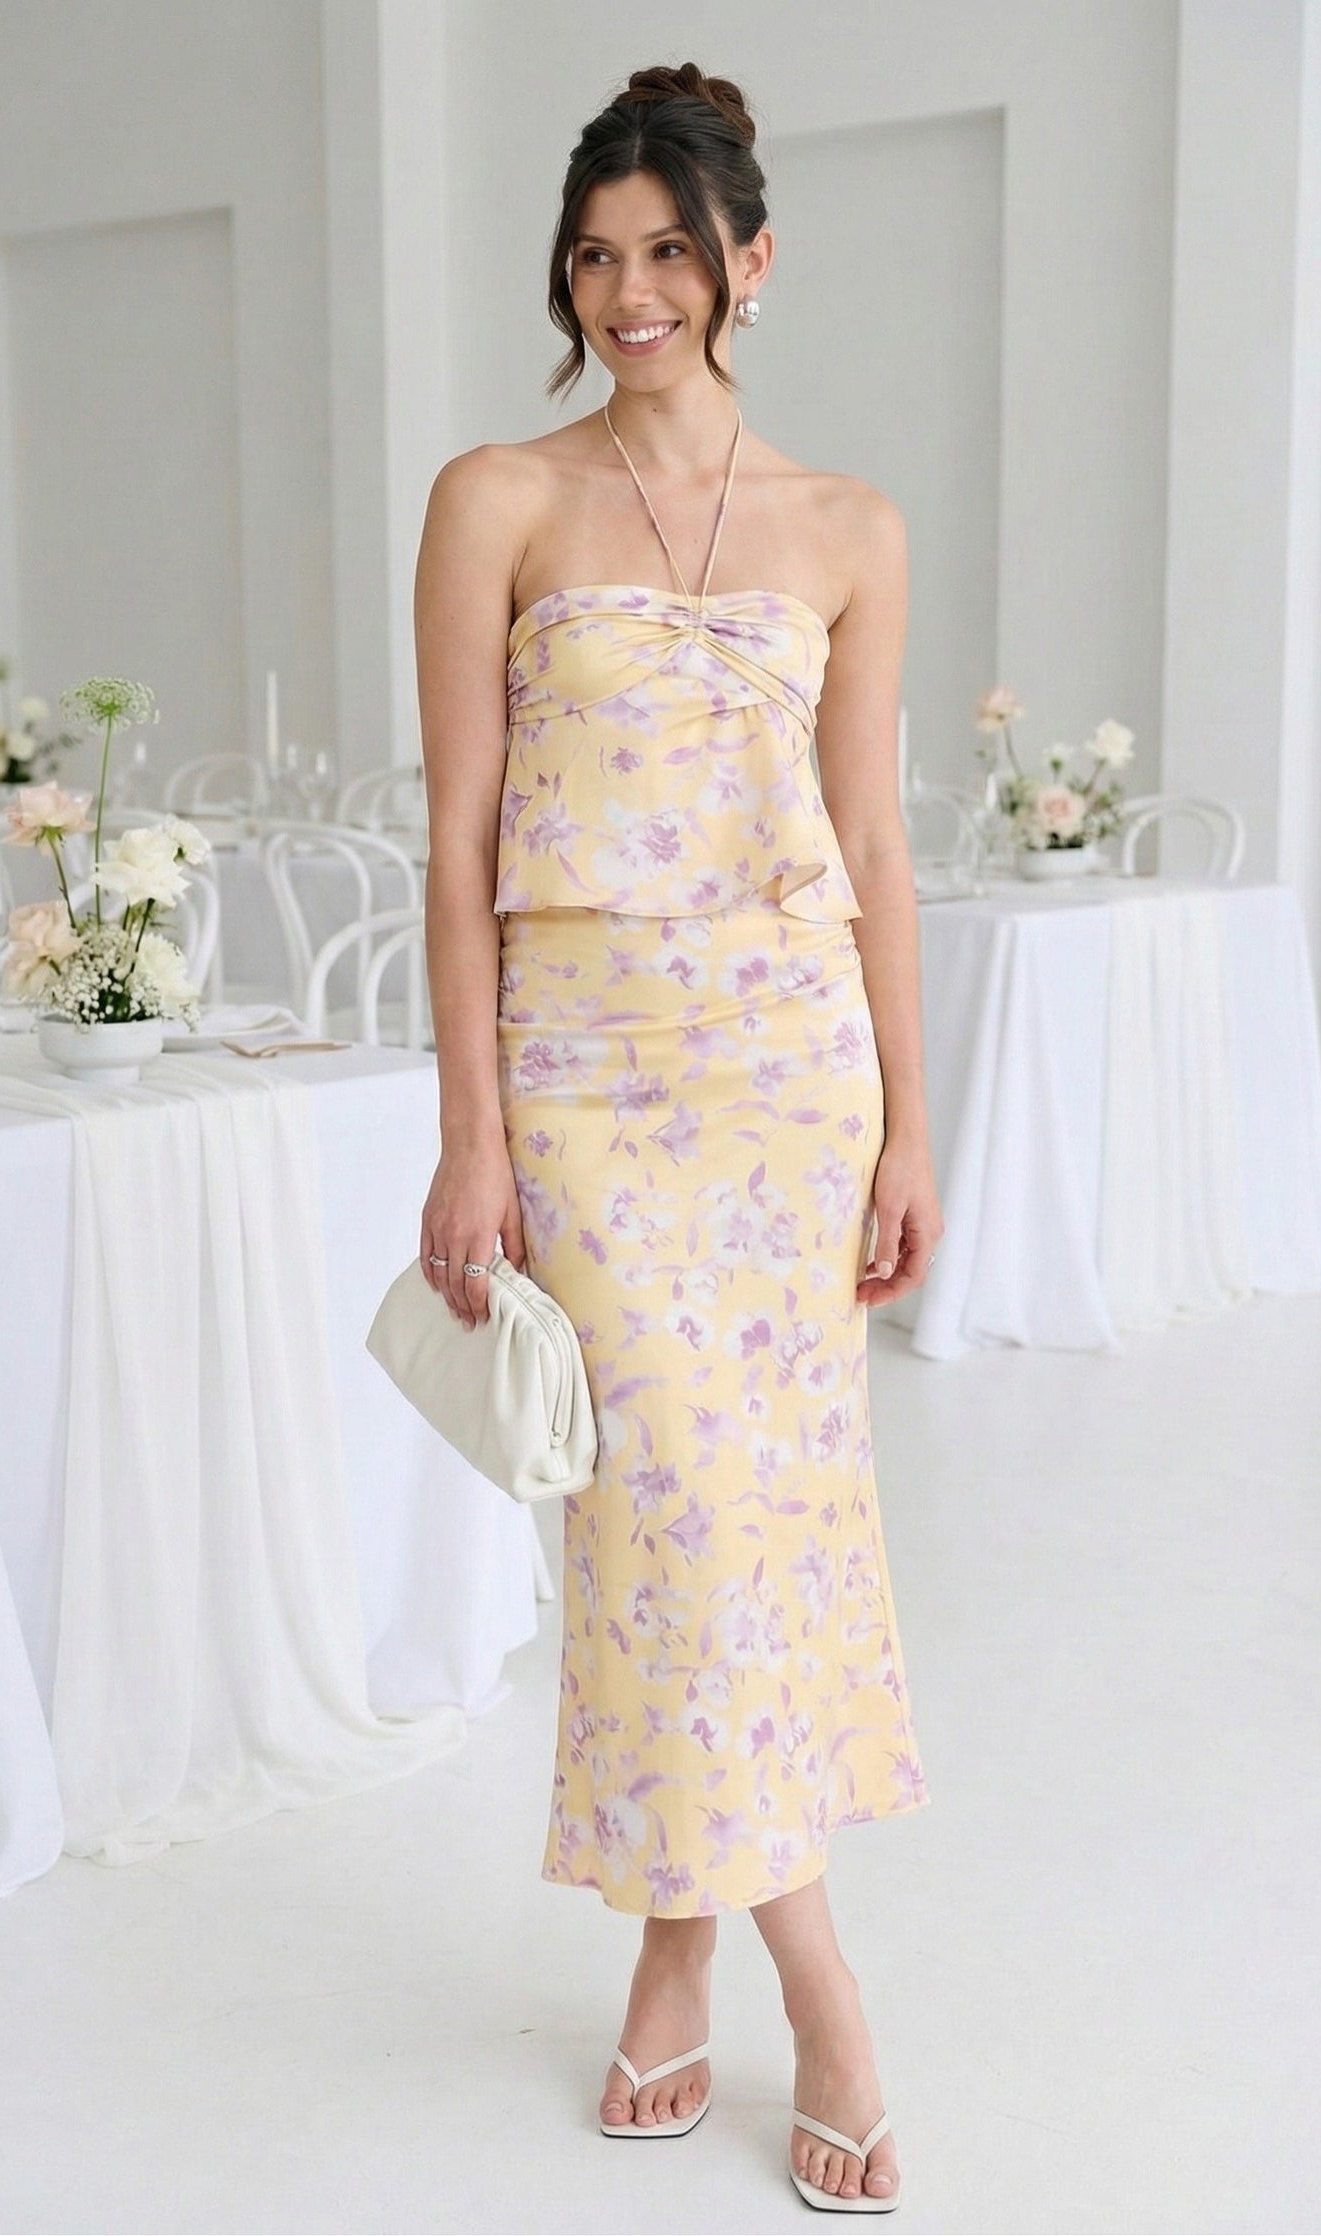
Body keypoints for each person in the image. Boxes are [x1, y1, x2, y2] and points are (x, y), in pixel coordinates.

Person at [412, 61, 943, 2214]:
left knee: (761, 1523)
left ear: (749, 261)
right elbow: (449, 836)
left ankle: (670, 1944)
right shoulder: (497, 499)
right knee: (666, 1524)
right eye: (597, 252)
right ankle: (823, 1986)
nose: (629, 290)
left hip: (790, 1080)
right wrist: (472, 1129)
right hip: (594, 1083)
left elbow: (880, 840)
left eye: (666, 251)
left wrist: (913, 1121)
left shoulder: (849, 527)